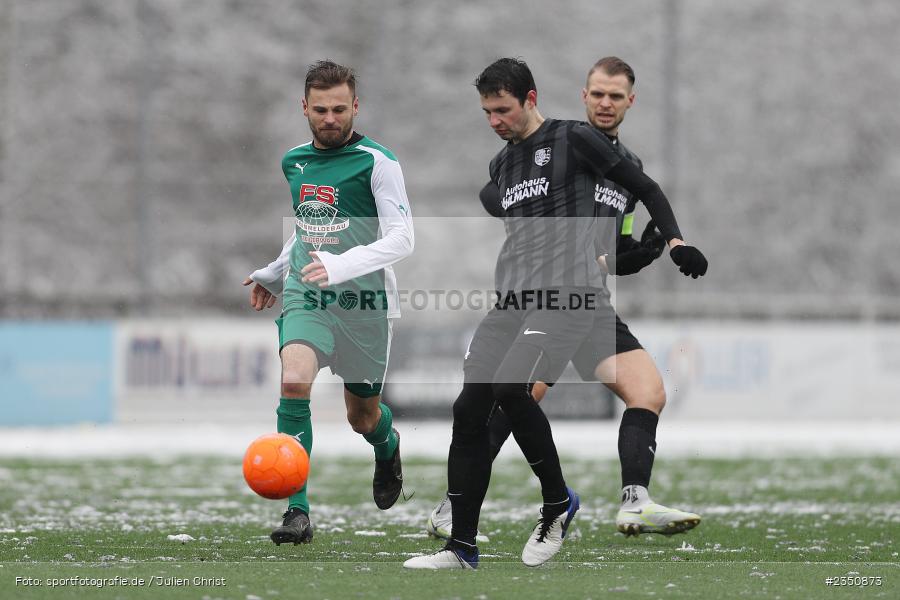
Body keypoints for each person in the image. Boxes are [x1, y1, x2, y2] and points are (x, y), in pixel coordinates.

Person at [404, 58, 706, 570]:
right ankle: (460, 539)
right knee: (472, 405)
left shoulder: (583, 145)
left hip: (573, 296)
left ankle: (587, 501)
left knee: (552, 390)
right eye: (487, 112)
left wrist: (666, 246)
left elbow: (620, 234)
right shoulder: (505, 164)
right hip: (515, 299)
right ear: (584, 95)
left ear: (531, 99)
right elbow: (504, 203)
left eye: (502, 110)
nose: (494, 120)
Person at [242, 60, 414, 546]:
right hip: (308, 293)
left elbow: (402, 238)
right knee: (293, 378)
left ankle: (387, 444)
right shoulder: (294, 162)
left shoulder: (378, 162)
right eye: (321, 110)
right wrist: (275, 273)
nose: (331, 118)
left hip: (364, 303)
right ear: (305, 108)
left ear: (356, 106)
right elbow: (307, 228)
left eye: (340, 109)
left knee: (363, 417)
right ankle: (297, 511)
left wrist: (342, 265)